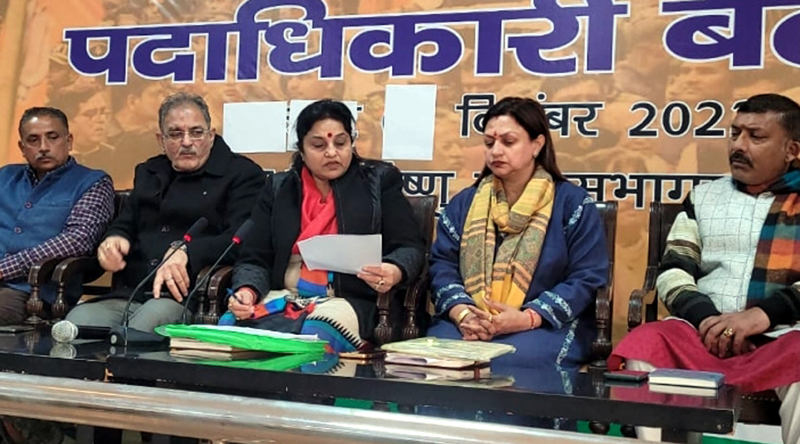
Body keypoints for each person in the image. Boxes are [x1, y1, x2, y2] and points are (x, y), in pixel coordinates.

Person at [610, 94, 800, 443]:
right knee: (647, 342)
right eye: (735, 133)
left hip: (783, 334)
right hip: (704, 330)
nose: (738, 146)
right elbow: (673, 270)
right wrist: (706, 318)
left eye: (755, 137)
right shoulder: (704, 197)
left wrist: (762, 315)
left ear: (792, 151)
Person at [227, 99, 426, 352]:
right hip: (287, 295)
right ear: (301, 150)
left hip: (353, 299)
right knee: (232, 323)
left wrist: (395, 270)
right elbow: (254, 256)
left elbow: (409, 247)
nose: (332, 152)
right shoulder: (279, 189)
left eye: (340, 143)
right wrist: (247, 289)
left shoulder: (378, 181)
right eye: (319, 145)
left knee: (316, 333)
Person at [427, 97, 608, 372]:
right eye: (489, 143)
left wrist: (528, 318)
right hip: (470, 322)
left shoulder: (572, 204)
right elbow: (442, 266)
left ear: (537, 144)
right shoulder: (464, 204)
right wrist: (463, 313)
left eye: (508, 142)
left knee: (513, 361)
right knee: (438, 356)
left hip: (546, 325)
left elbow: (587, 277)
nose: (496, 151)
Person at [65, 92, 264, 332]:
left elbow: (241, 239)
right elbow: (126, 222)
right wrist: (114, 240)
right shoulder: (149, 171)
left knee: (142, 328)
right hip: (132, 291)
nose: (187, 141)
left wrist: (187, 250)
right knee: (76, 323)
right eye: (176, 134)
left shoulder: (242, 174)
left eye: (196, 132)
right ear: (161, 140)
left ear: (211, 136)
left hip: (189, 296)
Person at [0, 107, 113, 325]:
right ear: (22, 147)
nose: (43, 147)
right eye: (33, 140)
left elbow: (77, 241)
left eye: (52, 138)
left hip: (37, 292)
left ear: (69, 141)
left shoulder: (93, 182)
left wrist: (4, 270)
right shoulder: (5, 176)